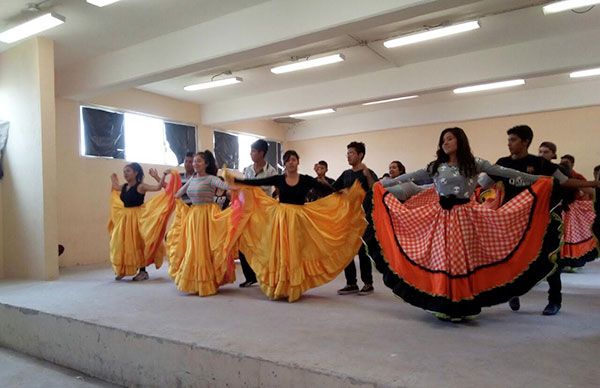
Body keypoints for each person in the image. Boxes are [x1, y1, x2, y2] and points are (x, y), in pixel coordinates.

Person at [373, 127, 557, 321]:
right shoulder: (436, 165)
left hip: (465, 218)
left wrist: (539, 180)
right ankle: (442, 301)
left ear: (460, 141)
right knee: (442, 259)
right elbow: (411, 176)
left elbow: (505, 172)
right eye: (443, 140)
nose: (445, 143)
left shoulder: (475, 163)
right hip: (441, 218)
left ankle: (461, 303)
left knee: (459, 259)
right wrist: (382, 184)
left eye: (450, 139)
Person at [486, 126, 600, 315]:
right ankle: (513, 293)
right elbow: (483, 183)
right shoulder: (502, 164)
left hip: (541, 220)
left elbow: (564, 181)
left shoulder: (540, 164)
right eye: (509, 139)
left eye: (513, 139)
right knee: (512, 260)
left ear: (525, 142)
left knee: (550, 258)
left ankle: (554, 300)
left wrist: (592, 183)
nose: (509, 143)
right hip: (512, 222)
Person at [230, 150, 366, 302]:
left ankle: (293, 286)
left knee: (295, 252)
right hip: (281, 219)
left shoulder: (306, 179)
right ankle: (280, 284)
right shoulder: (279, 178)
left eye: (293, 159)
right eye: (287, 160)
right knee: (281, 251)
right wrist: (238, 181)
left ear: (298, 162)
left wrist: (342, 194)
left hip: (298, 219)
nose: (290, 162)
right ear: (285, 163)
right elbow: (257, 183)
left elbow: (325, 189)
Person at [167, 151, 239, 296]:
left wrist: (238, 185)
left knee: (205, 248)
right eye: (194, 161)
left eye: (199, 161)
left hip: (207, 215)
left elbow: (226, 187)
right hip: (194, 216)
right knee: (194, 248)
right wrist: (173, 189)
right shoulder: (192, 179)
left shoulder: (211, 179)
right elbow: (178, 193)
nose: (195, 164)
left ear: (206, 164)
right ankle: (195, 281)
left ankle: (208, 282)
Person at [109, 163, 176, 281]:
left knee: (138, 243)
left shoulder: (141, 186)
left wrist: (159, 176)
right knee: (122, 243)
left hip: (138, 218)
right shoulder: (124, 186)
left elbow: (157, 188)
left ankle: (143, 271)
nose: (125, 173)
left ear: (136, 173)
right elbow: (115, 187)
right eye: (124, 171)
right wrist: (113, 178)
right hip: (125, 219)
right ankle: (124, 269)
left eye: (128, 171)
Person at [333, 141, 379, 296]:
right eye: (347, 153)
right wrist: (342, 190)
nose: (348, 156)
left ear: (360, 155)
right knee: (347, 251)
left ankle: (368, 283)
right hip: (347, 217)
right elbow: (334, 189)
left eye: (351, 153)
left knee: (362, 251)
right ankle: (351, 283)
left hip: (363, 218)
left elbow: (376, 191)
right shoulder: (346, 174)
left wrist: (368, 176)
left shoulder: (367, 172)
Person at [238, 139, 278, 288]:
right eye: (251, 151)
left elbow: (277, 190)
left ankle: (265, 274)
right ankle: (249, 276)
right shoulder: (247, 170)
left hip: (264, 213)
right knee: (244, 242)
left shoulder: (271, 171)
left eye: (254, 151)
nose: (251, 154)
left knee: (264, 245)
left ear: (262, 153)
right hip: (247, 211)